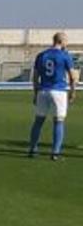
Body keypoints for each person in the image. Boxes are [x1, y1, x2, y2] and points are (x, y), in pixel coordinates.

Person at [27, 32, 75, 160]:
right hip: (58, 91)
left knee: (38, 121)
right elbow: (72, 76)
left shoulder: (41, 55)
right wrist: (72, 91)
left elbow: (35, 77)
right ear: (61, 41)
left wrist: (35, 93)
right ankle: (55, 153)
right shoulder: (65, 56)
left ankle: (32, 149)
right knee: (58, 122)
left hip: (43, 90)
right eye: (66, 41)